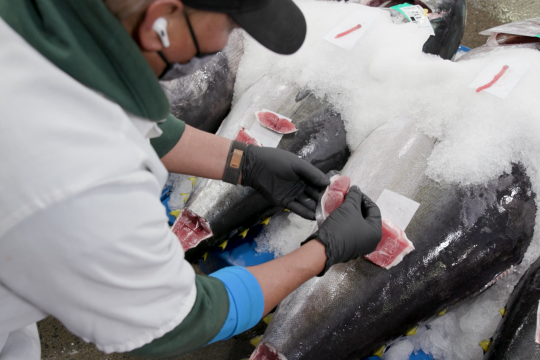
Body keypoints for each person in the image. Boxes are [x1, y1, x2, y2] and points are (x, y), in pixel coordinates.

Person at [0, 0, 382, 358]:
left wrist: (243, 161)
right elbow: (173, 320)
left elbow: (104, 105)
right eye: (231, 25)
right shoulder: (85, 179)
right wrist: (322, 251)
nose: (228, 42)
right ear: (161, 22)